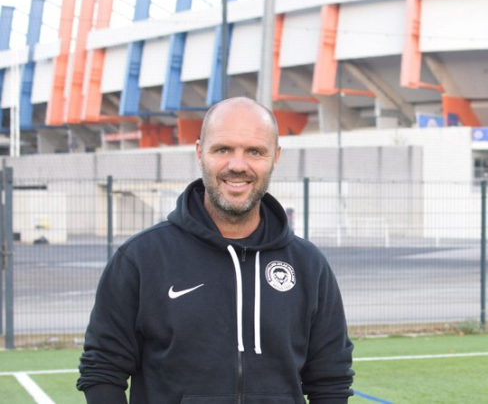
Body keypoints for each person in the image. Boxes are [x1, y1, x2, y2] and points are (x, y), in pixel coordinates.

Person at [77, 97, 354, 403]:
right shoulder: (141, 258)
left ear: (275, 157)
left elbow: (331, 380)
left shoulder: (308, 265)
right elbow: (102, 370)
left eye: (254, 152)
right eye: (223, 149)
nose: (238, 165)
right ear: (200, 153)